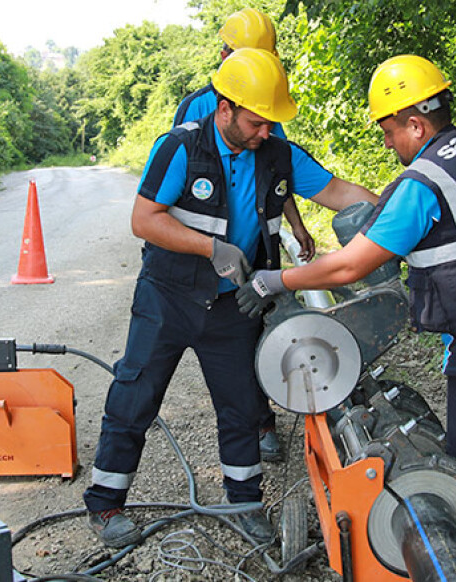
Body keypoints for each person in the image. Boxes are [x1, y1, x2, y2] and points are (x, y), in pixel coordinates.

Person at [235, 54, 456, 581]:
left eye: (389, 132)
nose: (389, 144)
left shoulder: (424, 183)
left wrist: (276, 280)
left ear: (415, 123)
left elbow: (351, 265)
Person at [84, 47, 378, 549]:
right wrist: (209, 247)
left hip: (235, 305)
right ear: (225, 109)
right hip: (168, 297)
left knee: (242, 405)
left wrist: (400, 202)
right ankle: (106, 503)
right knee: (135, 395)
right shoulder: (180, 148)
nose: (266, 132)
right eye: (257, 122)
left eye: (270, 124)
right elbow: (144, 219)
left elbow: (335, 190)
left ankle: (243, 503)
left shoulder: (278, 154)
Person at [173, 8, 314, 464]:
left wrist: (294, 222)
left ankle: (264, 422)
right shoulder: (199, 108)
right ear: (224, 55)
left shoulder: (265, 102)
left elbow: (276, 168)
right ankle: (249, 423)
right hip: (208, 258)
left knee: (258, 331)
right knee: (229, 350)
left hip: (256, 247)